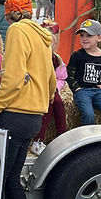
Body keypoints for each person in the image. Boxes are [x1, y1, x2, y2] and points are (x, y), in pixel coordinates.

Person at [0, 0, 56, 199]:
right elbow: (51, 80)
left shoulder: (16, 32)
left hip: (16, 115)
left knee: (0, 179)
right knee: (13, 178)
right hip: (34, 117)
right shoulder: (42, 35)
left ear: (10, 13)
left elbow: (12, 80)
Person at [66, 19, 101, 125]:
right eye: (82, 36)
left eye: (89, 36)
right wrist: (76, 88)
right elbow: (69, 74)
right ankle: (88, 138)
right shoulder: (77, 56)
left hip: (98, 92)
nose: (84, 39)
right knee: (89, 114)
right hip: (82, 91)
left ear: (99, 38)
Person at [31, 20, 68, 156]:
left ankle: (62, 136)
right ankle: (38, 140)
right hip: (38, 88)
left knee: (58, 103)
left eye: (50, 43)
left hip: (51, 88)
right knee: (46, 106)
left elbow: (61, 77)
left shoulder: (56, 59)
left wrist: (56, 88)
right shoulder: (35, 58)